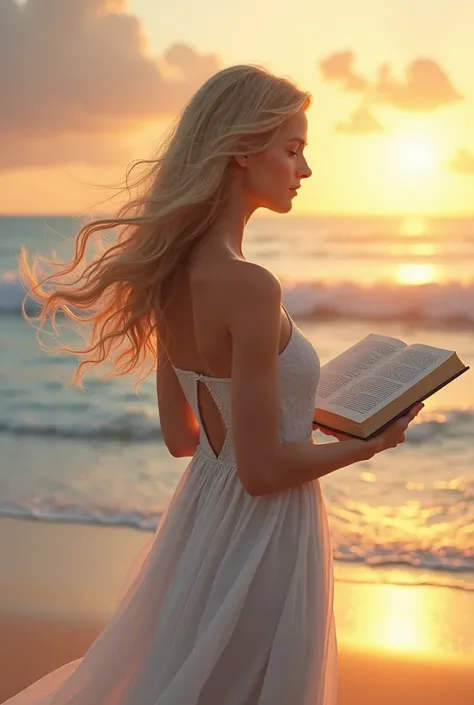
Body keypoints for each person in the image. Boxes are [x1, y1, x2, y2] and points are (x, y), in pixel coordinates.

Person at [10, 64, 423, 705]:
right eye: (293, 150)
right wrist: (371, 444)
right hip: (264, 533)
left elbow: (185, 437)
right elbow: (261, 473)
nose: (305, 170)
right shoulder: (250, 285)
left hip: (204, 522)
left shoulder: (170, 274)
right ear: (241, 151)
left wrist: (288, 415)